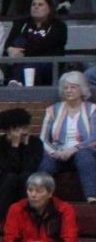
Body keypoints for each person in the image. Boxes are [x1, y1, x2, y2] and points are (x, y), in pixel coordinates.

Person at [39, 70, 96, 201]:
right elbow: (43, 138)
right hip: (59, 152)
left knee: (84, 156)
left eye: (73, 87)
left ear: (82, 89)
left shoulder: (93, 109)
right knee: (46, 163)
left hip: (84, 152)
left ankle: (92, 197)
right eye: (65, 87)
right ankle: (41, 197)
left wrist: (75, 149)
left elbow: (95, 137)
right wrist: (54, 152)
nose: (68, 90)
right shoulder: (53, 110)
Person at [6, 0, 68, 87]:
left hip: (49, 64)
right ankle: (15, 86)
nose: (36, 7)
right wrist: (9, 49)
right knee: (20, 49)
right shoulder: (21, 23)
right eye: (33, 4)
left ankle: (16, 85)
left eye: (40, 4)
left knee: (28, 64)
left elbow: (46, 46)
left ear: (49, 9)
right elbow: (8, 44)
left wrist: (23, 51)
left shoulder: (59, 26)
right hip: (23, 62)